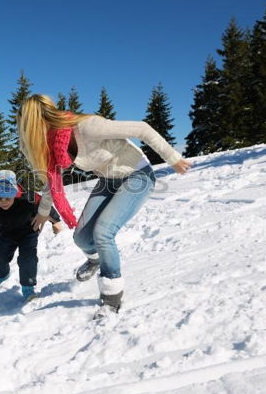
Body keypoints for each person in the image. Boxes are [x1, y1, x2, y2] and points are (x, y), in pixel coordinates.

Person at [17, 94, 191, 319]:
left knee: (103, 232)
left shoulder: (87, 127)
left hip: (137, 176)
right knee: (81, 237)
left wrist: (172, 158)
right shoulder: (55, 143)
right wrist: (43, 213)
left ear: (34, 122)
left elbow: (142, 129)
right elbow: (51, 180)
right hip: (108, 179)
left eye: (25, 126)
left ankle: (111, 296)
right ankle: (95, 259)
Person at [0, 170, 62, 302]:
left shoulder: (29, 198)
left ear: (15, 193)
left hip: (29, 231)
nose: (3, 202)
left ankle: (28, 287)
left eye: (7, 198)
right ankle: (1, 275)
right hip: (7, 232)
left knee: (27, 259)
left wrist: (56, 221)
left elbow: (45, 205)